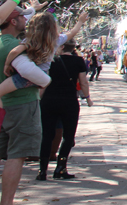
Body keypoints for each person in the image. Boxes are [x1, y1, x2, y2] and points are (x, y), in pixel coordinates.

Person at [0, 10, 88, 120]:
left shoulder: (29, 41)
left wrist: (7, 64)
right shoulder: (56, 40)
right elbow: (73, 32)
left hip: (24, 77)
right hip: (42, 76)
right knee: (37, 99)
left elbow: (14, 52)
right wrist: (80, 21)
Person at [0, 4, 40, 205]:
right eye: (22, 16)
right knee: (16, 155)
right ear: (13, 21)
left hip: (0, 106)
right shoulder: (14, 47)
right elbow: (35, 75)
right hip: (21, 105)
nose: (25, 20)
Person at [37, 39, 91, 181]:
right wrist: (87, 98)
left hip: (49, 100)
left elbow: (43, 82)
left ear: (61, 46)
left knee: (47, 135)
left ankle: (42, 170)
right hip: (69, 101)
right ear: (73, 48)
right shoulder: (78, 61)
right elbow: (83, 82)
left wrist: (39, 99)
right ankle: (61, 167)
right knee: (68, 136)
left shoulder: (51, 60)